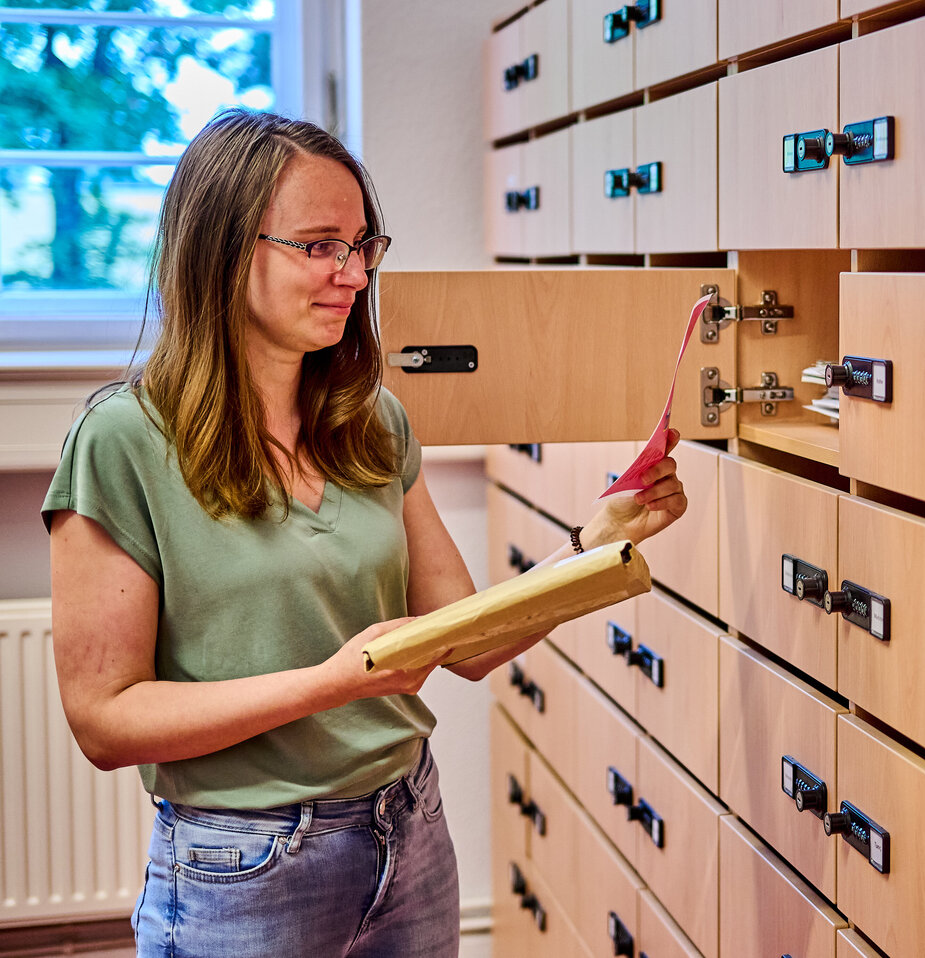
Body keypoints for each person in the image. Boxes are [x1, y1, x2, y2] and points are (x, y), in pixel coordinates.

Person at [41, 108, 686, 958]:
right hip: (247, 866)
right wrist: (334, 682)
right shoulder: (122, 442)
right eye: (318, 246)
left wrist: (595, 544)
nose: (352, 273)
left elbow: (467, 640)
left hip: (408, 827)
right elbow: (105, 721)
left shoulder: (372, 421)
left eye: (363, 245)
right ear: (226, 251)